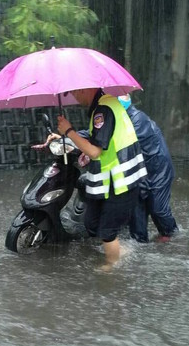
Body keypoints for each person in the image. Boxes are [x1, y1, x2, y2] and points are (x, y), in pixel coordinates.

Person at [55, 88, 147, 270]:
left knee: (107, 230)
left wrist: (69, 131)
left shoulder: (102, 110)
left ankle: (112, 266)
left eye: (74, 93)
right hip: (110, 178)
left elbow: (95, 151)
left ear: (84, 89)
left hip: (120, 179)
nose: (74, 97)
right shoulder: (105, 104)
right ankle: (119, 250)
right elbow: (97, 139)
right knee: (91, 222)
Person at [118, 95, 178, 243]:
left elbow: (125, 145)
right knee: (137, 214)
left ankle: (171, 235)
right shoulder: (117, 120)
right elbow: (97, 134)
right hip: (136, 172)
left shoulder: (138, 119)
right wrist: (71, 138)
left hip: (158, 170)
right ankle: (139, 243)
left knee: (157, 209)